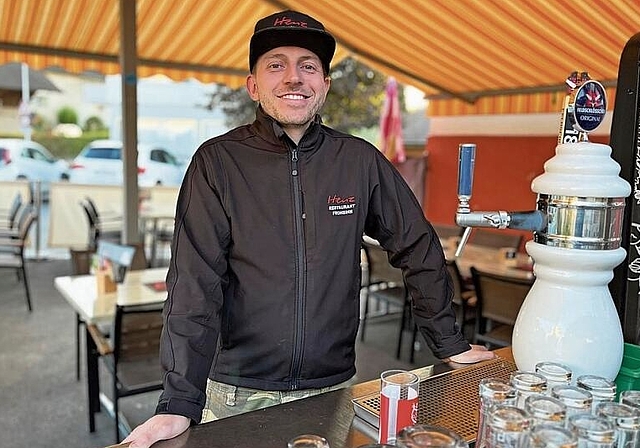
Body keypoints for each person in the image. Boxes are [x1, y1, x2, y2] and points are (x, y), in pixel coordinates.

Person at [123, 10, 495, 448]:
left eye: (308, 66)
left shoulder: (357, 160)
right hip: (239, 392)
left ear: (324, 85)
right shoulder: (218, 163)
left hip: (333, 388)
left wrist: (448, 341)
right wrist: (179, 403)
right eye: (276, 64)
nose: (293, 77)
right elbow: (193, 284)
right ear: (253, 85)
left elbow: (418, 245)